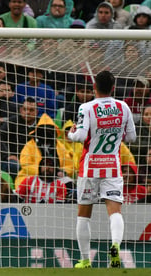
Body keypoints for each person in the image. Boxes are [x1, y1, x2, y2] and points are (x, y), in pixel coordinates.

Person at [68, 70, 136, 268]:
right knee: (115, 211)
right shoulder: (123, 107)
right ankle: (115, 246)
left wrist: (70, 134)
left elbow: (80, 137)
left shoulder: (87, 107)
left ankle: (85, 259)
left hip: (90, 167)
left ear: (94, 87)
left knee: (83, 213)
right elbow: (131, 137)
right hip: (112, 167)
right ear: (113, 87)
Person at [15, 113, 74, 188]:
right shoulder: (30, 145)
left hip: (56, 178)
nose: (46, 133)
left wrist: (61, 172)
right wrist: (44, 172)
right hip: (32, 178)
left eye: (49, 131)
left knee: (70, 184)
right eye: (43, 131)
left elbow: (70, 165)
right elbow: (26, 165)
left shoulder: (60, 146)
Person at [0, 97, 39, 181]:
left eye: (31, 110)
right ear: (20, 110)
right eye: (25, 109)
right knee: (13, 166)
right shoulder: (12, 121)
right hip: (15, 158)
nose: (27, 112)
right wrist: (8, 155)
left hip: (34, 160)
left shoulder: (41, 124)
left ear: (36, 112)